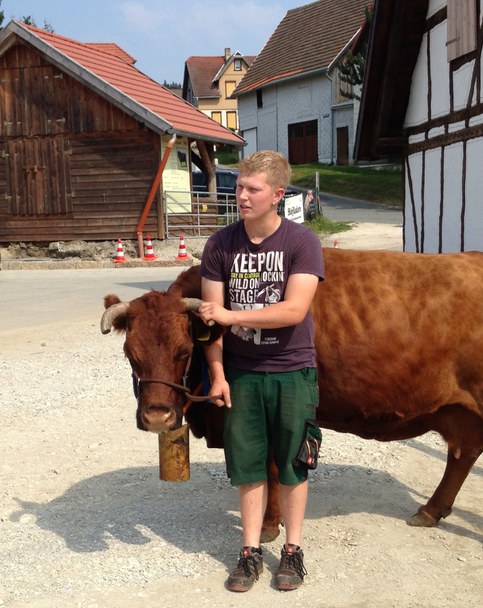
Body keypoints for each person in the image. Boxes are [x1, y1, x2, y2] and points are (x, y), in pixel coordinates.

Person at [197, 150, 324, 592]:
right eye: (240, 187)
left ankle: (292, 550)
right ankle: (250, 552)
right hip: (242, 373)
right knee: (247, 465)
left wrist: (233, 317)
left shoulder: (301, 242)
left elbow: (294, 310)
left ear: (277, 194)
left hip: (292, 370)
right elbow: (209, 321)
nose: (242, 195)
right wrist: (217, 374)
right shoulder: (219, 245)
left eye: (253, 189)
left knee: (293, 464)